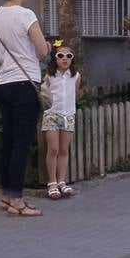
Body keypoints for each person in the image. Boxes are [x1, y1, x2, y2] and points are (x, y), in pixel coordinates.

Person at [0, 0, 52, 217]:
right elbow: (41, 49)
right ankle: (17, 200)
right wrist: (48, 46)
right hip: (24, 83)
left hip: (3, 82)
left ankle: (6, 195)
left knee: (8, 142)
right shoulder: (26, 15)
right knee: (21, 144)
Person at [40, 41, 83, 200]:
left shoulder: (76, 76)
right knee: (53, 149)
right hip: (52, 114)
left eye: (68, 56)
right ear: (55, 59)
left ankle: (61, 181)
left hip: (68, 114)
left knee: (64, 150)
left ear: (72, 59)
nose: (64, 59)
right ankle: (52, 183)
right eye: (60, 56)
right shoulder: (50, 76)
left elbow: (75, 92)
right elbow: (44, 95)